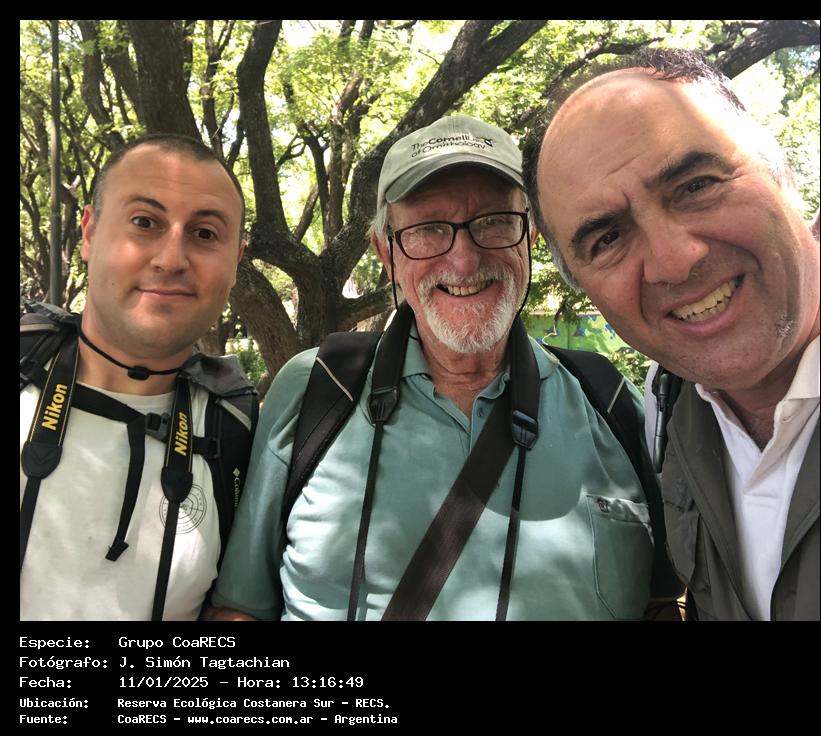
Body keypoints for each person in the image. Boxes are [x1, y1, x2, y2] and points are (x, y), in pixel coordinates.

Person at [208, 114, 681, 621]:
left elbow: (665, 604)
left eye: (494, 222)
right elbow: (240, 612)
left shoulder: (608, 400)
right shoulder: (317, 391)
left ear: (531, 234)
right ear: (387, 252)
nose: (464, 262)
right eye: (428, 230)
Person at [522, 49, 819, 620]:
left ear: (780, 167)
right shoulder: (669, 401)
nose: (674, 261)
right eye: (608, 239)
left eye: (696, 185)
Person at [20, 133, 257, 621]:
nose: (171, 259)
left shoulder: (241, 433)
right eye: (145, 222)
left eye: (205, 234)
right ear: (89, 233)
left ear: (236, 261)